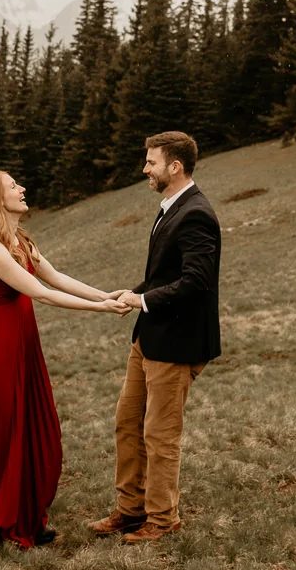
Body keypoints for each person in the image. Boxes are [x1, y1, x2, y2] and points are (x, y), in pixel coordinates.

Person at [0, 170, 130, 548]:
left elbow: (57, 278)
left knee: (33, 427)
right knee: (4, 434)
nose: (22, 189)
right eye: (13, 186)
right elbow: (41, 293)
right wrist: (100, 309)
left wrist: (107, 294)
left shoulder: (18, 239)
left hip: (23, 347)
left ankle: (27, 516)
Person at [90, 131, 222, 544]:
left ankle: (163, 519)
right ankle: (130, 510)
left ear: (175, 166)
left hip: (176, 343)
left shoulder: (196, 213)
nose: (145, 168)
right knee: (127, 424)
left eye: (151, 162)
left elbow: (195, 283)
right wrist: (130, 293)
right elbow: (165, 276)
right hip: (148, 338)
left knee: (160, 435)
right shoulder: (171, 208)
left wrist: (142, 300)